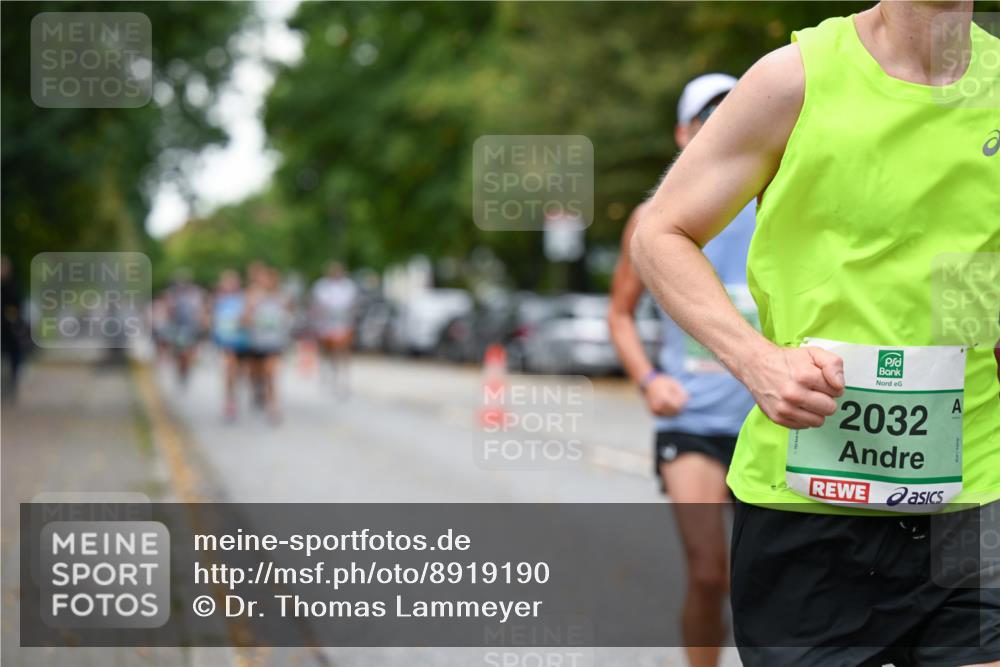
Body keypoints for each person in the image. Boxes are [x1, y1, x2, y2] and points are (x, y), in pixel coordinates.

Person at [631, 3, 999, 666]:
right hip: (810, 507)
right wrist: (757, 361)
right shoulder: (795, 80)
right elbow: (660, 233)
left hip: (972, 496)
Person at [608, 73, 754, 667]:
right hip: (691, 421)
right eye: (704, 119)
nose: (716, 128)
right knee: (708, 573)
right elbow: (619, 314)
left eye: (729, 115)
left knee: (767, 585)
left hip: (770, 423)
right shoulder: (651, 217)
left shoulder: (777, 203)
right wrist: (649, 380)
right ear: (682, 132)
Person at [244, 266, 291, 424]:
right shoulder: (252, 296)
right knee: (257, 373)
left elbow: (288, 315)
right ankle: (258, 391)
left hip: (274, 342)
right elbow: (245, 318)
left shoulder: (281, 297)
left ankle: (274, 405)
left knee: (271, 373)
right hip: (257, 342)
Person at [310, 262, 357, 397]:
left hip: (343, 324)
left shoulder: (348, 286)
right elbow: (317, 306)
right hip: (326, 325)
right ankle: (327, 373)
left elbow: (352, 305)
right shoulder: (322, 286)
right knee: (327, 350)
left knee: (344, 351)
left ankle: (343, 378)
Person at [211, 269, 248, 421]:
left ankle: (236, 396)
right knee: (230, 370)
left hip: (243, 341)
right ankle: (230, 400)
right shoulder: (218, 300)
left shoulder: (243, 299)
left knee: (241, 372)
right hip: (227, 341)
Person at [163, 269, 207, 387]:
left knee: (187, 352)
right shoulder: (171, 295)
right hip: (177, 328)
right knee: (179, 353)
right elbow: (167, 312)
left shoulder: (195, 294)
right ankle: (181, 369)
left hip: (190, 328)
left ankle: (185, 370)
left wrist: (201, 323)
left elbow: (200, 311)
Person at [1, 256, 26, 401]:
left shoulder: (13, 286)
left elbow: (17, 307)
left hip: (10, 329)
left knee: (13, 358)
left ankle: (11, 388)